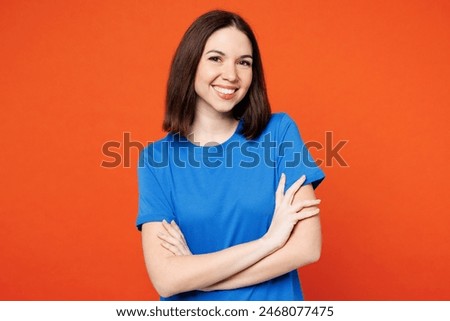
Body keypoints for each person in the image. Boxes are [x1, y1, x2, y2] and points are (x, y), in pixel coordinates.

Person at [136, 10, 325, 301]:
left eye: (244, 63)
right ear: (190, 65)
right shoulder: (156, 160)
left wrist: (205, 280)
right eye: (215, 58)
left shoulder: (279, 133)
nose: (231, 75)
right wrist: (270, 241)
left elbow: (306, 247)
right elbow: (166, 279)